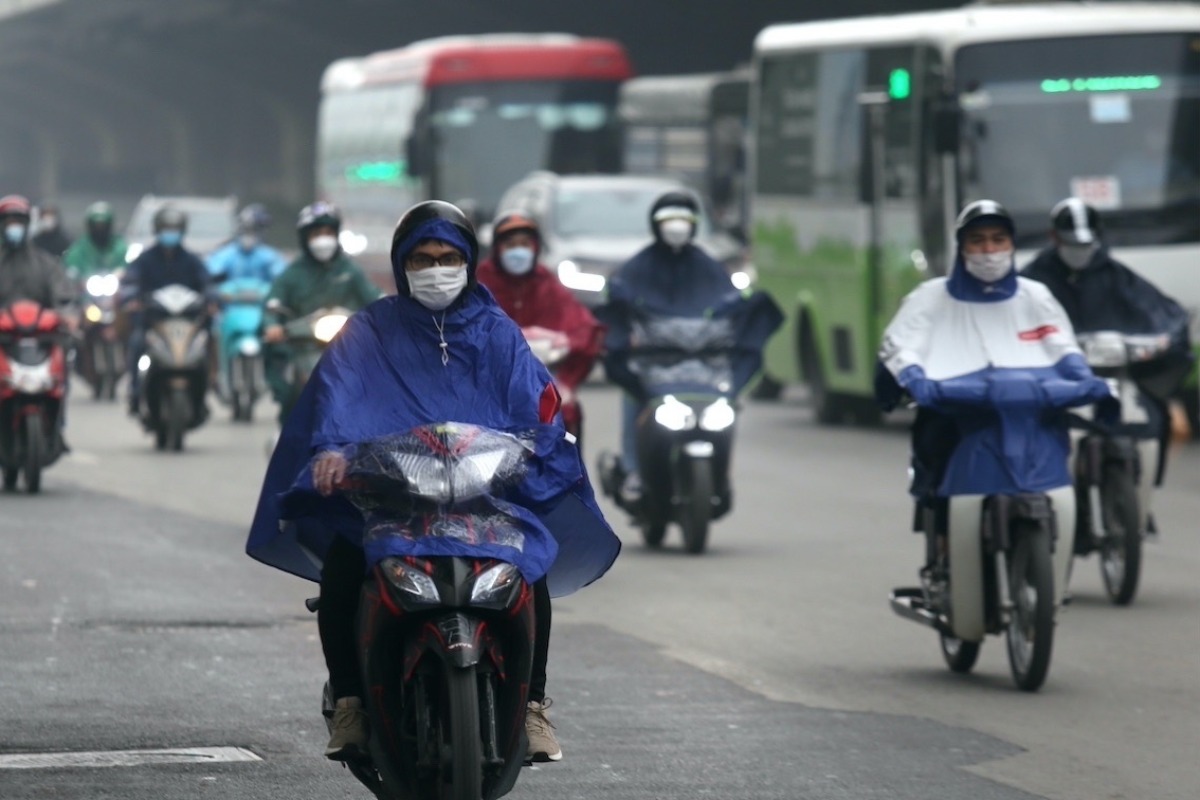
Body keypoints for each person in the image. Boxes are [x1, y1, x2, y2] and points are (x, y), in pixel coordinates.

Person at [246, 200, 620, 764]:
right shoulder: (369, 331)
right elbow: (338, 398)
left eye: (448, 257)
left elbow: (536, 407)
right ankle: (350, 701)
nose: (436, 269)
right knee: (345, 568)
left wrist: (541, 445)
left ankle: (535, 706)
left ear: (469, 261)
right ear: (402, 264)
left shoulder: (499, 333)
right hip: (391, 497)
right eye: (422, 258)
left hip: (483, 496)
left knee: (530, 571)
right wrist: (330, 451)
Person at [875, 200, 1112, 567]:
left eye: (998, 240)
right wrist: (916, 380)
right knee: (935, 457)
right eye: (978, 241)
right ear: (962, 247)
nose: (989, 251)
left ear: (1011, 245)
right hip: (956, 410)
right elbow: (900, 346)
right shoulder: (931, 297)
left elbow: (1063, 347)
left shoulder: (1035, 296)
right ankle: (943, 554)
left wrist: (1085, 379)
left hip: (1030, 412)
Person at [1021, 197, 1192, 495]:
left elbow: (1162, 313)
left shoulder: (1117, 276)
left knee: (1156, 417)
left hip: (1116, 374)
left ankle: (1144, 497)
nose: (1080, 252)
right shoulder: (1033, 279)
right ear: (1054, 238)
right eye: (1072, 243)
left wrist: (1162, 339)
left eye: (1086, 244)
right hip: (1053, 379)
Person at [600, 190, 735, 502]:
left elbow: (730, 306)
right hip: (653, 363)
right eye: (669, 220)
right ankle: (634, 470)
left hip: (701, 365)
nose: (677, 227)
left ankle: (722, 474)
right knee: (635, 398)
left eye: (684, 220)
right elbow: (618, 305)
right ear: (655, 224)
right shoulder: (636, 268)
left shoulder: (710, 267)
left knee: (728, 408)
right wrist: (625, 338)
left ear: (694, 224)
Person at [476, 212, 603, 439]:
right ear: (497, 248)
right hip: (487, 383)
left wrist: (564, 350)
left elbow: (583, 329)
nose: (518, 251)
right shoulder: (480, 283)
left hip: (542, 381)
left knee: (566, 413)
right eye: (510, 245)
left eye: (525, 244)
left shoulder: (547, 284)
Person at [262, 202, 381, 424]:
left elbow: (373, 298)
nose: (323, 238)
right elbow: (273, 305)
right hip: (303, 347)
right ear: (305, 238)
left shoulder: (349, 270)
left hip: (347, 348)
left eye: (328, 232)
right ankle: (288, 436)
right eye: (317, 233)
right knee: (290, 392)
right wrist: (273, 325)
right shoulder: (292, 274)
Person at [120, 205, 212, 416]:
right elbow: (130, 281)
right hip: (154, 321)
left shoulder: (192, 260)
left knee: (205, 347)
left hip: (187, 323)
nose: (170, 233)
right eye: (166, 228)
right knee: (136, 344)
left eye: (174, 228)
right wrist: (132, 298)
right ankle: (135, 392)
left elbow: (206, 282)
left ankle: (206, 392)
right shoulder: (145, 259)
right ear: (157, 229)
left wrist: (212, 299)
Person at [0, 195, 75, 311]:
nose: (14, 227)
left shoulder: (45, 264)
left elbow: (63, 296)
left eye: (18, 222)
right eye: (9, 222)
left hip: (39, 327)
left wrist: (66, 313)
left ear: (27, 224)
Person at [206, 203, 287, 283]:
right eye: (247, 229)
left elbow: (281, 276)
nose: (250, 235)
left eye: (255, 229)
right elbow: (213, 272)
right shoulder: (225, 254)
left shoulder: (269, 255)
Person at [63, 201, 129, 280]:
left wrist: (121, 273)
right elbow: (71, 267)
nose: (100, 230)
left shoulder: (119, 247)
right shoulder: (80, 248)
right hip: (85, 289)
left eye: (103, 226)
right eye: (96, 226)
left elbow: (127, 265)